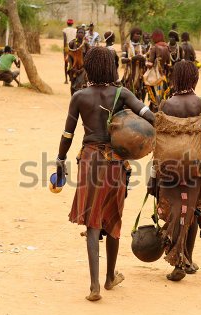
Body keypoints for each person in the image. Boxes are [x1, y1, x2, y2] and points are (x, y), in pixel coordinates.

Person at [55, 47, 154, 301]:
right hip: (116, 163)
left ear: (89, 67)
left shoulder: (79, 96)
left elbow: (68, 134)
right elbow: (149, 116)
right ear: (111, 67)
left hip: (89, 160)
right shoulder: (123, 94)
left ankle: (94, 287)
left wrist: (60, 160)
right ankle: (111, 277)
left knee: (92, 222)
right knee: (113, 218)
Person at [148, 60, 201, 281]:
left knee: (175, 211)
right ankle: (186, 260)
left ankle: (178, 260)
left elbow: (158, 142)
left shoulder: (166, 105)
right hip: (194, 168)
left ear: (174, 79)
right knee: (193, 212)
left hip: (168, 168)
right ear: (195, 79)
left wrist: (153, 177)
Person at [145, 29, 170, 112]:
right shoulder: (167, 47)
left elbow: (150, 65)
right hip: (163, 77)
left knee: (154, 98)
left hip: (155, 78)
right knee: (162, 97)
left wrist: (145, 61)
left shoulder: (154, 47)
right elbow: (168, 63)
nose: (152, 39)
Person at [121, 27, 146, 101]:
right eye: (137, 34)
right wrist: (132, 58)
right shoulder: (126, 46)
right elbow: (122, 60)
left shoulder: (142, 47)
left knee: (140, 95)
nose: (138, 36)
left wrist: (143, 59)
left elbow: (146, 61)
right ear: (132, 35)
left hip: (139, 77)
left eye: (139, 34)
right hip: (129, 75)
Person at [67, 28, 90, 95]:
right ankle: (73, 98)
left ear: (84, 34)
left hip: (83, 69)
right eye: (79, 32)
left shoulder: (86, 45)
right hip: (73, 69)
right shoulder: (72, 43)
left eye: (82, 32)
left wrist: (83, 69)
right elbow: (69, 57)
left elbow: (88, 57)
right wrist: (72, 67)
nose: (80, 34)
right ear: (76, 33)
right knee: (73, 85)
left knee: (82, 86)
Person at [63, 19, 77, 84]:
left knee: (66, 63)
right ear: (72, 24)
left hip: (67, 47)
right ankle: (73, 77)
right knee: (74, 63)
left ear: (67, 23)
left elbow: (65, 41)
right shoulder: (75, 30)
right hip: (74, 47)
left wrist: (65, 52)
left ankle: (66, 80)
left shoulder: (64, 30)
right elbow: (76, 39)